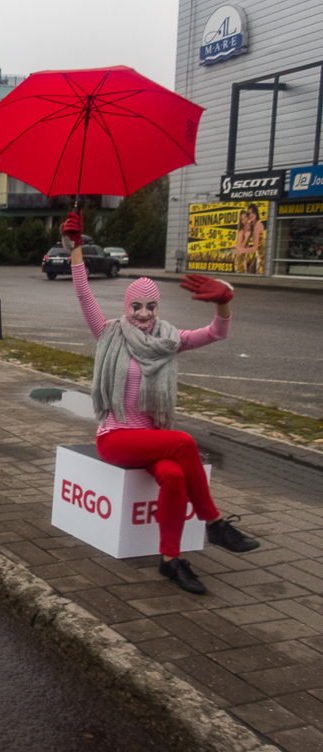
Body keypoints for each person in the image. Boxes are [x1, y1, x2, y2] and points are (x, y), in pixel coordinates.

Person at [62, 211, 259, 595]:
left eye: (151, 307)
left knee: (173, 475)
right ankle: (214, 523)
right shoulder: (110, 333)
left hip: (151, 440)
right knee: (184, 442)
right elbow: (84, 293)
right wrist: (77, 250)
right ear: (127, 307)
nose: (143, 314)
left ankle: (171, 560)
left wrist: (224, 303)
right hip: (117, 437)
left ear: (157, 309)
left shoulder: (170, 340)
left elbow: (216, 333)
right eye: (136, 306)